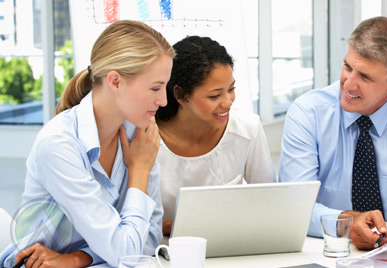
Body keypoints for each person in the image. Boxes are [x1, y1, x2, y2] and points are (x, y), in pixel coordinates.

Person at [0, 20, 173, 267]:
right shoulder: (59, 145)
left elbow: (149, 245)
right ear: (115, 82)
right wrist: (140, 172)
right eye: (156, 88)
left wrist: (78, 258)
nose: (164, 100)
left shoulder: (140, 136)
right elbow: (126, 254)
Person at [278, 16, 387, 250]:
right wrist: (347, 223)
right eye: (348, 67)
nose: (348, 84)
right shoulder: (308, 113)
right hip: (324, 251)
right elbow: (294, 206)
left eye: (365, 77)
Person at [155, 36, 275, 236]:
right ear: (181, 94)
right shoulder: (147, 138)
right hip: (163, 253)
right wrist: (166, 227)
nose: (228, 102)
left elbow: (270, 205)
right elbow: (126, 221)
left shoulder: (248, 129)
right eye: (214, 95)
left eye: (231, 89)